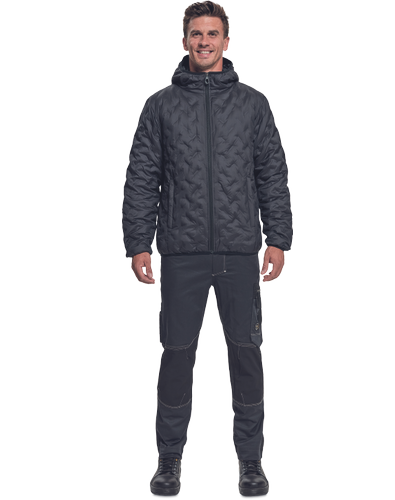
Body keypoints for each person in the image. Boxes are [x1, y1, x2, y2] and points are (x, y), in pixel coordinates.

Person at [122, 2, 293, 498]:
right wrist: (138, 243)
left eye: (212, 34)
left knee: (246, 356)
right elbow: (142, 177)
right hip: (182, 253)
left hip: (240, 253)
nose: (204, 42)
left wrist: (278, 238)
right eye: (196, 34)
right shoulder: (160, 106)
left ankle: (251, 463)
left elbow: (272, 173)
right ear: (184, 42)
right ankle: (169, 462)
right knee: (177, 356)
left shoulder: (253, 104)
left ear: (226, 41)